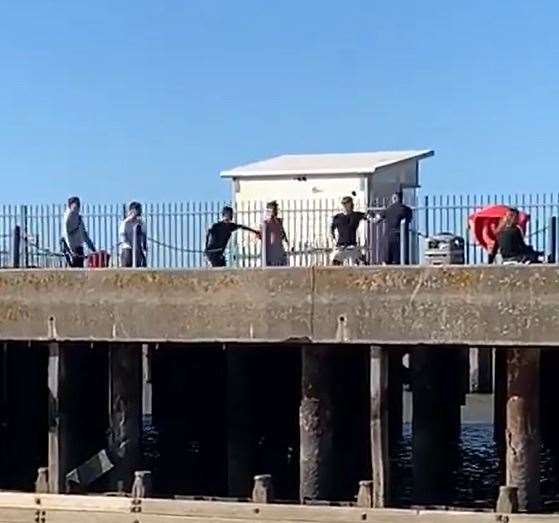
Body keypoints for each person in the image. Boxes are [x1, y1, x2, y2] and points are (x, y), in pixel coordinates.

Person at [374, 192, 413, 265]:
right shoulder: (407, 210)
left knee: (386, 261)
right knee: (399, 261)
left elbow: (376, 220)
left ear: (394, 198)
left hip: (388, 237)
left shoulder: (388, 209)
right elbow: (409, 220)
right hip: (401, 238)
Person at [330, 196, 368, 265]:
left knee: (361, 263)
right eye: (343, 203)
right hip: (341, 246)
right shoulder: (337, 217)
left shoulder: (356, 215)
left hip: (352, 246)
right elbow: (331, 229)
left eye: (346, 203)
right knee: (334, 260)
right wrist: (333, 238)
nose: (345, 205)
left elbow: (368, 216)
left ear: (351, 204)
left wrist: (373, 216)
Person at [61, 196, 96, 267]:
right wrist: (71, 251)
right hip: (72, 249)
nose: (78, 208)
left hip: (78, 248)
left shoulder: (78, 218)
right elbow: (66, 235)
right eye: (76, 205)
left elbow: (84, 234)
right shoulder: (68, 217)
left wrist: (92, 248)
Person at [119, 201, 147, 267]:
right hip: (127, 247)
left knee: (138, 265)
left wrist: (144, 246)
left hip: (137, 248)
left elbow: (144, 234)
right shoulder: (125, 222)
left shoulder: (141, 223)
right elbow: (122, 235)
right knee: (127, 264)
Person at [262, 201, 288, 266]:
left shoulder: (279, 221)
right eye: (274, 209)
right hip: (271, 252)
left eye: (276, 209)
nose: (276, 211)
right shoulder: (266, 223)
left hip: (278, 250)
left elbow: (282, 233)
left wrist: (285, 239)